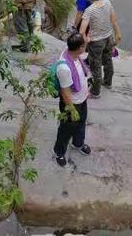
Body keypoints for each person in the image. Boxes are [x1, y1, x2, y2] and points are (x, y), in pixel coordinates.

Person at [53, 32, 91, 167]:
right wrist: (72, 109)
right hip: (72, 104)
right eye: (84, 45)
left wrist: (86, 92)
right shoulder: (64, 68)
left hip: (82, 99)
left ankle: (78, 143)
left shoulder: (73, 54)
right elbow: (65, 92)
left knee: (81, 123)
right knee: (66, 128)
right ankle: (59, 151)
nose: (85, 47)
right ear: (79, 48)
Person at [79, 0, 122, 99]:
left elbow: (82, 31)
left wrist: (86, 40)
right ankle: (108, 82)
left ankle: (95, 91)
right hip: (109, 37)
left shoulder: (89, 10)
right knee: (108, 60)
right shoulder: (107, 3)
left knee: (96, 65)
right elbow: (114, 20)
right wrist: (118, 33)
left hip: (96, 42)